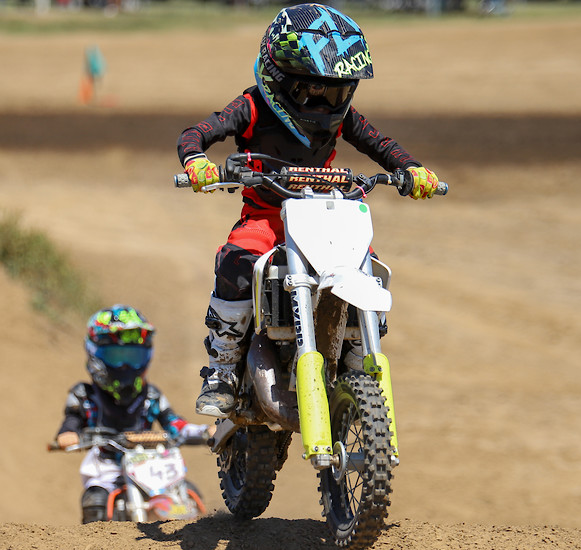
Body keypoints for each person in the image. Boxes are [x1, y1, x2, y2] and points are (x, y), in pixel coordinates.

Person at [177, 3, 441, 418]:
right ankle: (223, 368)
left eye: (334, 91)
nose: (322, 101)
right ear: (278, 78)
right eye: (310, 89)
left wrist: (410, 168)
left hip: (324, 215)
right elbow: (198, 133)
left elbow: (379, 143)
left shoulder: (342, 119)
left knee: (368, 266)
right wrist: (196, 160)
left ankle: (357, 359)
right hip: (266, 216)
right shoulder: (251, 107)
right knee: (236, 259)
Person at [55, 305, 211, 523]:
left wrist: (206, 431)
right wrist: (68, 434)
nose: (125, 366)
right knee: (96, 500)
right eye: (117, 355)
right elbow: (71, 423)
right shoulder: (84, 395)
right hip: (108, 467)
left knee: (190, 494)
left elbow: (174, 423)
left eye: (132, 356)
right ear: (94, 354)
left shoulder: (151, 395)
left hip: (152, 465)